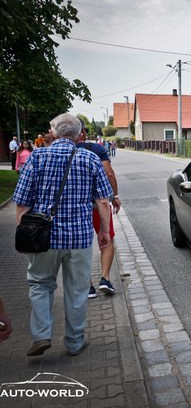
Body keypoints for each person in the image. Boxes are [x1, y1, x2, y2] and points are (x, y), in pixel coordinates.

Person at [13, 113, 113, 357]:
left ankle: (41, 336)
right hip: (78, 238)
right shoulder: (90, 158)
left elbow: (22, 203)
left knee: (40, 284)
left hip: (43, 237)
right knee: (77, 290)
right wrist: (103, 233)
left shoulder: (36, 157)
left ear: (53, 133)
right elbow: (102, 201)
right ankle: (75, 342)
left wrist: (23, 233)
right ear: (79, 135)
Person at [77, 125, 121, 298]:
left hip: (77, 207)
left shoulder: (60, 151)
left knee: (81, 244)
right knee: (107, 239)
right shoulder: (95, 148)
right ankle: (105, 278)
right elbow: (109, 172)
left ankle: (87, 286)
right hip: (98, 205)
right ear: (83, 133)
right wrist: (115, 195)